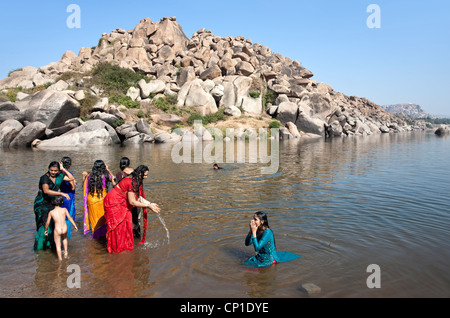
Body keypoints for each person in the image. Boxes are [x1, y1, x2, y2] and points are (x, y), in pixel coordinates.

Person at [104, 165, 160, 253]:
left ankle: (124, 247)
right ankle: (117, 249)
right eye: (145, 175)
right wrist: (148, 206)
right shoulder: (132, 182)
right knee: (118, 227)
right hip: (114, 202)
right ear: (140, 174)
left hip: (121, 202)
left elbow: (137, 197)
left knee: (127, 223)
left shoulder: (135, 180)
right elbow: (132, 202)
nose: (146, 177)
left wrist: (150, 203)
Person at [34, 161, 75, 251]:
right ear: (48, 169)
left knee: (53, 224)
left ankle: (51, 245)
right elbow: (46, 191)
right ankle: (39, 248)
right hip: (41, 204)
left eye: (55, 170)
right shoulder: (44, 178)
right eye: (51, 170)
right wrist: (61, 193)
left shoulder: (60, 176)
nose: (53, 172)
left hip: (52, 203)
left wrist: (63, 169)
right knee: (43, 224)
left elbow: (72, 179)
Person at [82, 160, 116, 238]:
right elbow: (114, 178)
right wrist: (108, 170)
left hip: (91, 200)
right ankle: (104, 236)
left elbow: (85, 188)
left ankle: (95, 237)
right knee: (103, 220)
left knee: (94, 221)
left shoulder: (89, 176)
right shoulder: (106, 175)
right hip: (103, 199)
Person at [44, 196, 78, 261]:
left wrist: (46, 230)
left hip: (57, 229)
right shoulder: (64, 209)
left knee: (58, 245)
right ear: (61, 202)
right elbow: (70, 218)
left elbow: (47, 223)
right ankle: (66, 253)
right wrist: (74, 225)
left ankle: (60, 259)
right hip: (64, 228)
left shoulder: (51, 212)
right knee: (64, 239)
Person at [60, 156, 77, 238]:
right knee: (68, 217)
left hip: (61, 195)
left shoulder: (59, 174)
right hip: (69, 197)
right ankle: (67, 236)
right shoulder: (68, 174)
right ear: (69, 164)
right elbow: (73, 187)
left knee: (61, 217)